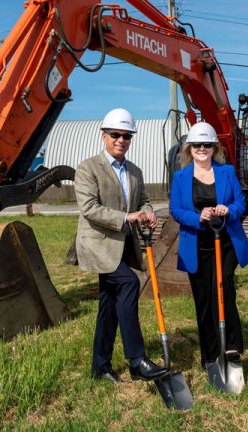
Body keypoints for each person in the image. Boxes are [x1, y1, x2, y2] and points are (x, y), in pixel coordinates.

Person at [75, 108, 167, 384]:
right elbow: (89, 208)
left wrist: (148, 212)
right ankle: (137, 360)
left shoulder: (135, 172)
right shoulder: (88, 168)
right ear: (104, 136)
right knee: (128, 283)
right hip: (98, 246)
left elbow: (145, 201)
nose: (121, 140)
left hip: (123, 247)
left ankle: (100, 366)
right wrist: (127, 217)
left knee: (109, 305)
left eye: (126, 136)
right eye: (115, 134)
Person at [169, 122, 248, 368]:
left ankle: (232, 347)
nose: (202, 149)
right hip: (197, 245)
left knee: (225, 287)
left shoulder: (226, 172)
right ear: (189, 148)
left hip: (225, 241)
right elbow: (176, 210)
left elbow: (241, 202)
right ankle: (210, 353)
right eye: (197, 145)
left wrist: (229, 209)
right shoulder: (181, 177)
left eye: (207, 144)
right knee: (204, 299)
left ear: (213, 147)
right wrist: (198, 217)